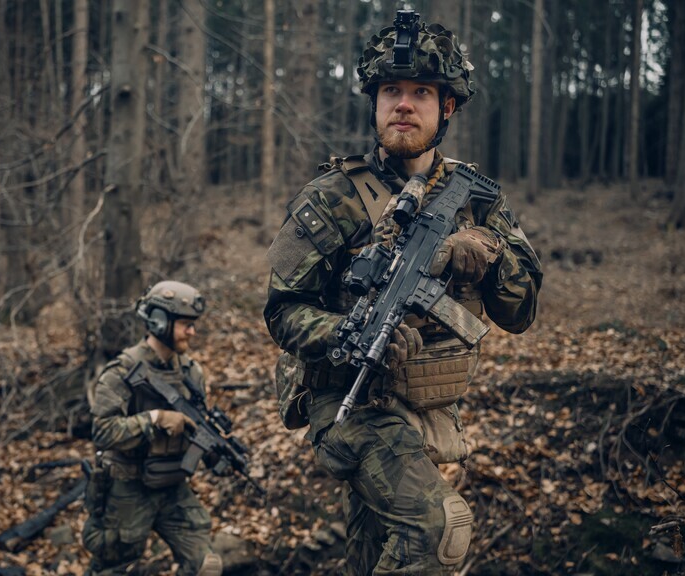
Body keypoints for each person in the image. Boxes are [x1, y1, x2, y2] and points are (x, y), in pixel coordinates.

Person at [264, 12, 542, 576]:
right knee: (440, 532)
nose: (404, 105)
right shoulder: (331, 197)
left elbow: (521, 310)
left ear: (448, 107)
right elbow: (282, 310)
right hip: (350, 401)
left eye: (421, 92)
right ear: (374, 102)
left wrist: (485, 251)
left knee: (375, 552)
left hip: (428, 407)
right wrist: (347, 332)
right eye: (391, 90)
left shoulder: (475, 197)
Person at [82, 280, 222, 576]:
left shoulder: (190, 372)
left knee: (207, 567)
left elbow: (197, 424)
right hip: (128, 487)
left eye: (193, 324)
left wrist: (212, 450)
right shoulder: (121, 371)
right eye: (185, 324)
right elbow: (103, 431)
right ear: (158, 322)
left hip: (172, 485)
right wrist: (155, 418)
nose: (192, 332)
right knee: (111, 567)